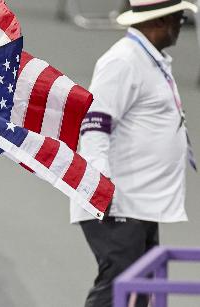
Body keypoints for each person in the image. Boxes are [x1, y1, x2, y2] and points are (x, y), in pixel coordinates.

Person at [69, 1, 197, 306]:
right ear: (161, 21)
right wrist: (103, 189)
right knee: (118, 289)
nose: (182, 25)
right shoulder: (124, 61)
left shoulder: (148, 60)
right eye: (179, 18)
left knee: (137, 294)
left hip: (140, 204)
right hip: (117, 204)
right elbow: (94, 128)